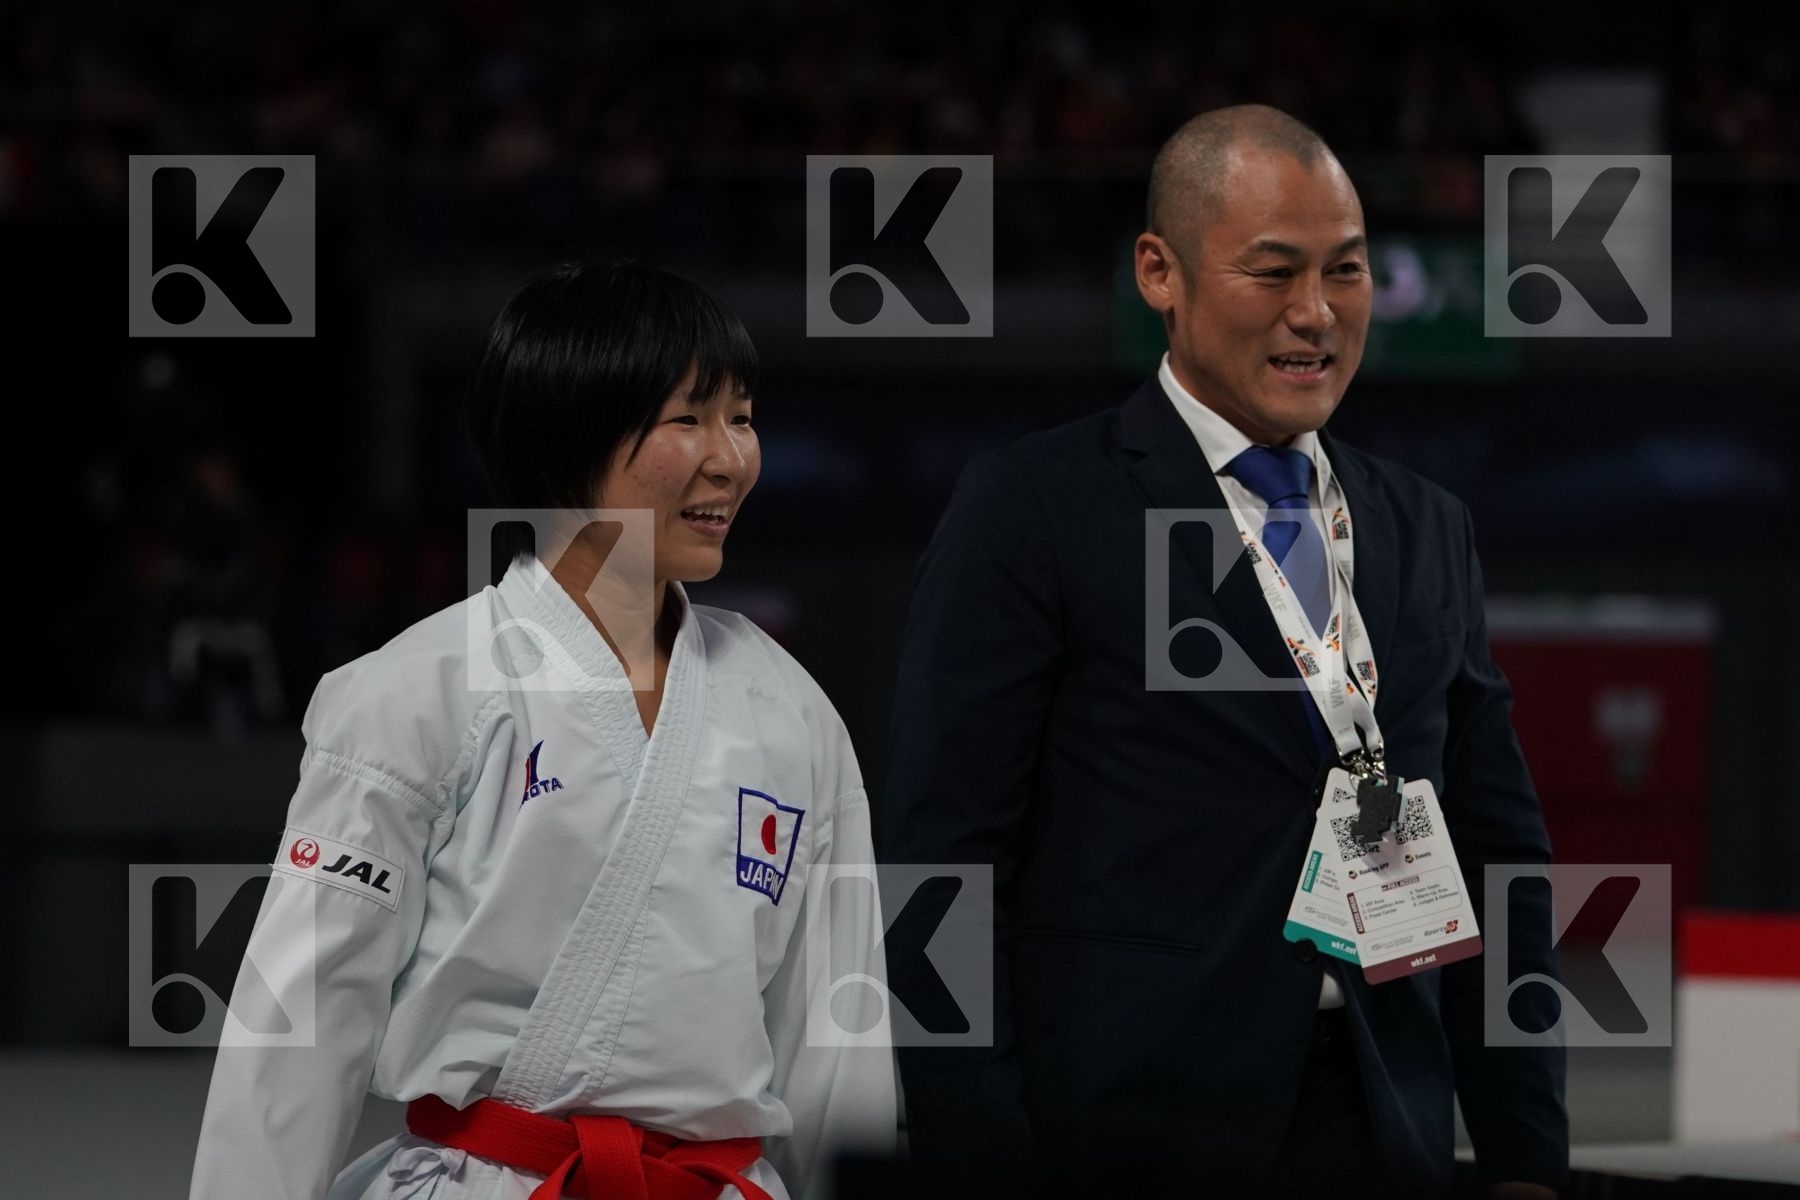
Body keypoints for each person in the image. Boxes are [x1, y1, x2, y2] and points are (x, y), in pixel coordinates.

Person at [882, 105, 1567, 1199]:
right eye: (1273, 272)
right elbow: (939, 862)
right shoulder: (1036, 506)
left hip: (1380, 1122)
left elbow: (1499, 857)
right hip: (1115, 1132)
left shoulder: (1424, 525)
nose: (1317, 314)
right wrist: (976, 1156)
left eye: (1346, 272)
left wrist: (1528, 1153)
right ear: (1160, 272)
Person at [191, 261, 897, 1199]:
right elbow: (302, 1023)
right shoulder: (417, 692)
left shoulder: (790, 709)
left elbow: (836, 1044)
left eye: (741, 415)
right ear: (570, 434)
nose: (731, 458)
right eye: (688, 420)